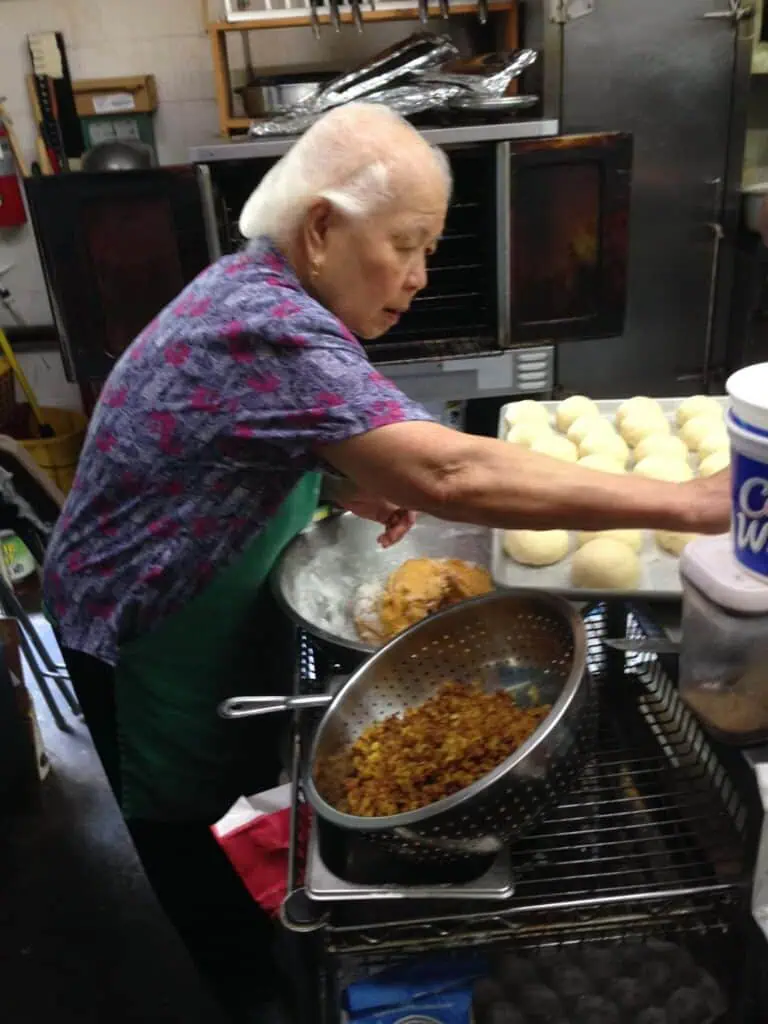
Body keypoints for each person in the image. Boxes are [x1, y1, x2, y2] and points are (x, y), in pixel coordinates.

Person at [43, 102, 730, 1021]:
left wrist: (334, 483)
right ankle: (249, 995)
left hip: (189, 596)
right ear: (322, 229)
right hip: (144, 630)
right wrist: (693, 504)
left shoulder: (254, 291)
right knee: (193, 856)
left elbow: (234, 441)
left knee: (226, 828)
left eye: (431, 251)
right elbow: (450, 468)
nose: (417, 276)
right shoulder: (265, 324)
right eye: (405, 244)